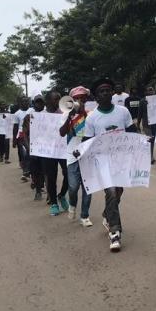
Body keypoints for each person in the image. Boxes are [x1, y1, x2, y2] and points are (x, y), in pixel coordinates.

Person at [84, 78, 137, 252]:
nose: (106, 93)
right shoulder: (92, 118)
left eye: (108, 90)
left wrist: (142, 143)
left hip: (121, 161)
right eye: (102, 91)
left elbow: (132, 132)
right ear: (96, 96)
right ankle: (115, 232)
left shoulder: (123, 112)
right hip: (103, 162)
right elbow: (87, 140)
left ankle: (107, 214)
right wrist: (81, 151)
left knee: (118, 191)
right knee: (112, 192)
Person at [60, 86, 94, 227]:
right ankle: (72, 205)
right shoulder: (66, 114)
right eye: (76, 98)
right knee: (73, 187)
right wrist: (70, 117)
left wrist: (82, 114)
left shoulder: (91, 114)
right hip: (72, 154)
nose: (79, 100)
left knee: (88, 187)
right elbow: (62, 133)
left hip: (87, 154)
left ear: (86, 99)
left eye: (82, 98)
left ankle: (85, 215)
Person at [23, 96, 46, 200]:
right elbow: (25, 134)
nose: (39, 104)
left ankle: (48, 191)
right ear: (34, 103)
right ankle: (38, 190)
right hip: (34, 148)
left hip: (46, 148)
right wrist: (29, 148)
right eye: (37, 102)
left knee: (46, 170)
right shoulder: (29, 117)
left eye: (41, 102)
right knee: (35, 171)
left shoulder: (49, 116)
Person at [12, 98, 32, 182]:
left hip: (31, 134)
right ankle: (25, 172)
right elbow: (15, 127)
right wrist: (14, 140)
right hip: (21, 135)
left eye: (27, 101)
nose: (25, 103)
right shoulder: (17, 114)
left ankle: (29, 170)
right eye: (23, 101)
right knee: (24, 153)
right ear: (20, 103)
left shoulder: (32, 111)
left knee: (29, 153)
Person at [140, 86, 156, 164]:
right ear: (145, 92)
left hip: (155, 124)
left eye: (152, 90)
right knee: (150, 140)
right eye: (149, 90)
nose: (150, 91)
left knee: (153, 140)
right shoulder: (142, 101)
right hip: (146, 124)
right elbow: (140, 113)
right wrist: (138, 123)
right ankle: (150, 157)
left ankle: (151, 155)